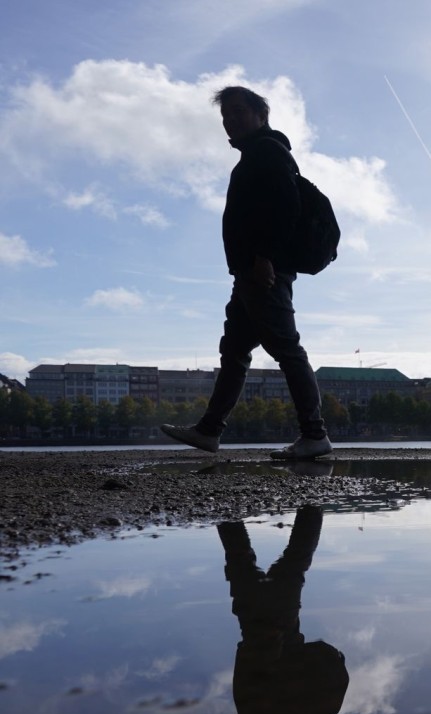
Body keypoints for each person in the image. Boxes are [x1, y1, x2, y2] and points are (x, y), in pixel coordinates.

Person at [161, 85, 332, 460]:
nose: (230, 120)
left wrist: (265, 257)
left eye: (238, 111)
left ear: (260, 115)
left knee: (286, 349)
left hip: (262, 272)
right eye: (225, 115)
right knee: (235, 352)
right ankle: (209, 431)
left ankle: (315, 435)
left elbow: (285, 207)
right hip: (250, 272)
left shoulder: (267, 152)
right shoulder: (256, 155)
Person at [218, 505, 349, 714]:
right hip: (268, 630)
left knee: (281, 563)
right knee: (259, 562)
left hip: (270, 631)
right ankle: (309, 503)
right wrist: (270, 641)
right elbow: (264, 685)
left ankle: (310, 503)